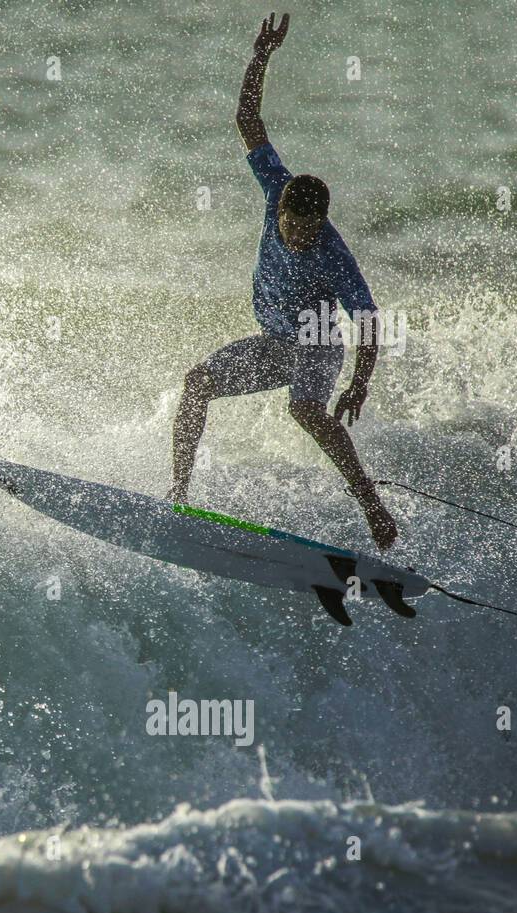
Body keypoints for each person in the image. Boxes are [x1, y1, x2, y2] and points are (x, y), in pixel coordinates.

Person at [167, 12, 397, 551]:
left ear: (321, 222)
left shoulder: (332, 254)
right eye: (291, 227)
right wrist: (261, 55)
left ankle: (374, 509)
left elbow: (367, 318)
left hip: (316, 344)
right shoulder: (276, 188)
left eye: (307, 229)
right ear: (283, 209)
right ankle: (177, 494)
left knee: (304, 410)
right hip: (276, 342)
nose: (296, 236)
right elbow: (248, 121)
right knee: (197, 383)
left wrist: (358, 382)